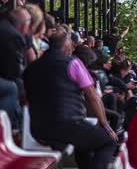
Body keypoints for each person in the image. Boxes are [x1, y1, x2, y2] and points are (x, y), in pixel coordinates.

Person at [23, 26, 117, 169]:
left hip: (38, 130)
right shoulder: (73, 63)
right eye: (71, 43)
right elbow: (93, 96)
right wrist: (105, 124)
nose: (73, 46)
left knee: (83, 145)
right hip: (66, 125)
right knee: (107, 142)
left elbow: (24, 98)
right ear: (66, 44)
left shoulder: (33, 66)